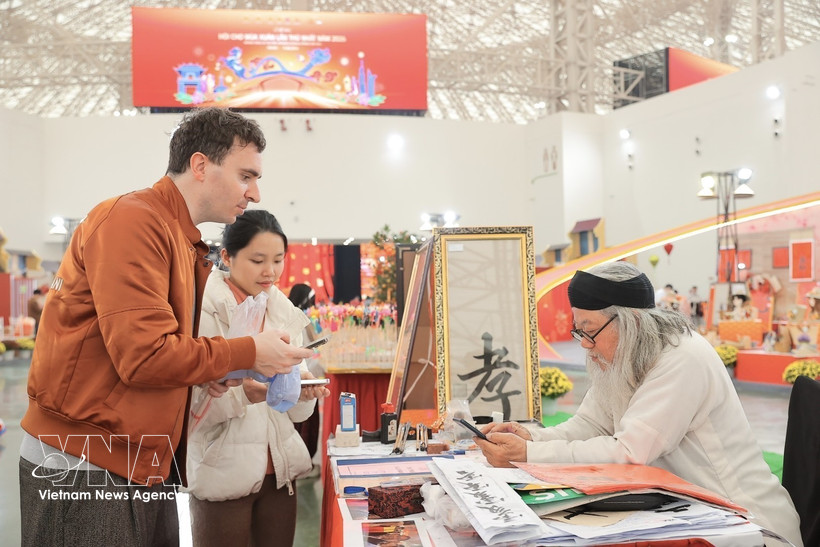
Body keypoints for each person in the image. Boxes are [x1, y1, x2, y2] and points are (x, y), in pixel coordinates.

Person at [19, 107, 316, 547]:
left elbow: (162, 351)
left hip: (140, 459)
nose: (254, 192)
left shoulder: (181, 239)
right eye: (246, 176)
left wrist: (216, 372)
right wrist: (249, 352)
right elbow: (143, 356)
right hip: (86, 462)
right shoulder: (132, 221)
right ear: (200, 165)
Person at [475, 262, 802, 546]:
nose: (586, 345)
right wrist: (531, 438)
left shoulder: (681, 357)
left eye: (590, 331)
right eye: (579, 332)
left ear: (630, 321)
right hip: (689, 516)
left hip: (746, 523)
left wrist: (528, 456)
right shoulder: (621, 356)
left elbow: (629, 452)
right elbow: (590, 424)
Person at [186, 210, 330, 547]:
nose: (271, 271)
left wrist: (301, 393)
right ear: (226, 257)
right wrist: (243, 395)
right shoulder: (203, 311)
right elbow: (185, 406)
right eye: (257, 260)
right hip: (222, 473)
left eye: (278, 260)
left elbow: (294, 414)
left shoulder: (283, 314)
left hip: (280, 476)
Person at [288, 283, 324, 462]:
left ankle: (305, 460)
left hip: (307, 376)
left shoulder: (306, 319)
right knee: (301, 424)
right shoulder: (294, 319)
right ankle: (301, 460)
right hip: (300, 377)